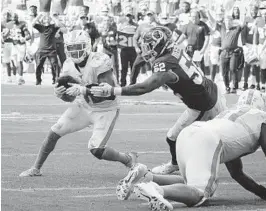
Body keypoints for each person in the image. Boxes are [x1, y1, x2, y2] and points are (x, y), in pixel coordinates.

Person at [90, 26, 227, 175]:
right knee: (194, 137)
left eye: (149, 47)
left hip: (203, 104)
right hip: (212, 90)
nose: (146, 50)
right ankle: (185, 163)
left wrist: (113, 90)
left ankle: (188, 167)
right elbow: (139, 62)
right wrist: (133, 76)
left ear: (160, 45)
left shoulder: (165, 62)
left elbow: (145, 88)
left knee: (177, 138)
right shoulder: (173, 49)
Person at [116, 90, 266, 210]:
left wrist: (261, 191)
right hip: (209, 139)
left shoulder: (229, 114)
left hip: (190, 132)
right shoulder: (261, 118)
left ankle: (147, 176)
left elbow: (236, 173)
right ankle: (156, 190)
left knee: (190, 181)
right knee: (200, 194)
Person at [19, 29, 137, 177]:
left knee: (96, 150)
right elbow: (70, 97)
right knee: (55, 131)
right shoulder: (68, 64)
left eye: (78, 47)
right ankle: (35, 168)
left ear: (87, 46)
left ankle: (127, 158)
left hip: (105, 109)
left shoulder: (100, 60)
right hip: (84, 105)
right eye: (71, 48)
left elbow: (107, 94)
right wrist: (61, 94)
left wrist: (82, 90)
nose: (75, 51)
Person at [32, 13, 61, 85]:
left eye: (48, 19)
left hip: (51, 50)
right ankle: (38, 81)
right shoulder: (41, 27)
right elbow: (33, 23)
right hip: (41, 50)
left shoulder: (53, 27)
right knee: (39, 65)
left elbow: (58, 24)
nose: (47, 19)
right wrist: (39, 16)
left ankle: (56, 80)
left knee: (55, 65)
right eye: (45, 19)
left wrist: (51, 16)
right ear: (43, 21)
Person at [10, 12, 31, 85]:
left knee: (19, 61)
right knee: (14, 63)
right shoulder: (9, 25)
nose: (13, 19)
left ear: (17, 18)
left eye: (14, 17)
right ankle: (14, 77)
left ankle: (20, 78)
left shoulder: (22, 24)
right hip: (13, 45)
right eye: (12, 18)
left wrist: (24, 38)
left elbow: (28, 36)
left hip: (21, 45)